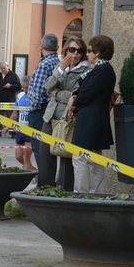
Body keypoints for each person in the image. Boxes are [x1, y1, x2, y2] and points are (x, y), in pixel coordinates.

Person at [67, 35, 117, 194]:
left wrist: (73, 103)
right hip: (94, 119)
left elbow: (88, 92)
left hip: (91, 120)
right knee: (94, 160)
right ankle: (96, 195)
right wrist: (74, 95)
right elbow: (83, 89)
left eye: (89, 51)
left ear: (98, 52)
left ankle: (81, 196)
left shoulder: (102, 70)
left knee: (81, 158)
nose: (87, 54)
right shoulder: (99, 69)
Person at [43, 37, 89, 190]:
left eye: (79, 51)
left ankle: (64, 191)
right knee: (45, 155)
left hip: (67, 119)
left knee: (65, 157)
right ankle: (45, 188)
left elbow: (74, 94)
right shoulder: (60, 66)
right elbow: (48, 85)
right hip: (50, 116)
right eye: (72, 50)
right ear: (65, 51)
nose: (75, 54)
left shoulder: (86, 69)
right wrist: (60, 70)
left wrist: (55, 93)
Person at [27, 33, 60, 185]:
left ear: (41, 47)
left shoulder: (44, 65)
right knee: (49, 150)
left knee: (40, 150)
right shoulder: (59, 63)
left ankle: (45, 184)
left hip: (40, 111)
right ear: (57, 47)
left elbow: (38, 93)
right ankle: (50, 182)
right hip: (53, 109)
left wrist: (32, 107)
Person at [2, 76, 35, 171]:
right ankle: (34, 170)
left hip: (30, 130)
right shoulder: (20, 96)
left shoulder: (35, 97)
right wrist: (8, 125)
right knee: (18, 156)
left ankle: (26, 177)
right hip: (20, 130)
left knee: (26, 155)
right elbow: (15, 113)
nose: (25, 90)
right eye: (23, 87)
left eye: (27, 88)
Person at [0, 61, 21, 137]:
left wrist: (11, 86)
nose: (3, 70)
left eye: (4, 68)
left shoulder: (13, 75)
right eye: (1, 69)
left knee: (11, 116)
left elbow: (19, 86)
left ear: (8, 66)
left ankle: (13, 132)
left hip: (9, 100)